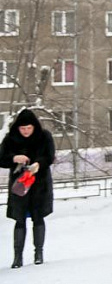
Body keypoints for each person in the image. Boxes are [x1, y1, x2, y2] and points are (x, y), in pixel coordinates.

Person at [0, 109, 55, 268]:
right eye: (22, 128)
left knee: (38, 217)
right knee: (19, 219)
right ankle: (18, 257)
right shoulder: (11, 139)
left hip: (40, 184)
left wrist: (38, 164)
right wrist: (14, 158)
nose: (25, 131)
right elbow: (1, 158)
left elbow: (50, 156)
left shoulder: (44, 136)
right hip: (20, 186)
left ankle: (38, 253)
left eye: (28, 128)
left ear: (34, 127)